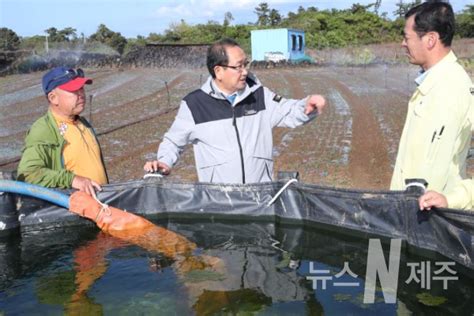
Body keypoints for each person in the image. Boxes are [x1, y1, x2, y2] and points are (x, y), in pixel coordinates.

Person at [144, 38, 326, 183]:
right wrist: (164, 162)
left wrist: (306, 106)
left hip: (261, 198)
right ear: (219, 71)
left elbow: (288, 111)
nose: (245, 71)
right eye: (238, 66)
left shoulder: (260, 95)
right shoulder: (194, 104)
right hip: (218, 202)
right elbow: (174, 141)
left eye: (245, 64)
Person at [390, 2, 474, 209]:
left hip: (436, 222)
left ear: (430, 39)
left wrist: (454, 200)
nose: (403, 44)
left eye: (407, 37)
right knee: (381, 243)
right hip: (406, 212)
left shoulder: (457, 87)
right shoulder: (429, 85)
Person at [17, 67, 108, 196]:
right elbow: (28, 174)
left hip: (102, 204)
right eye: (73, 91)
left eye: (81, 88)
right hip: (73, 211)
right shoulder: (43, 129)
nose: (81, 94)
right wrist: (72, 180)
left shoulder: (83, 123)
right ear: (53, 98)